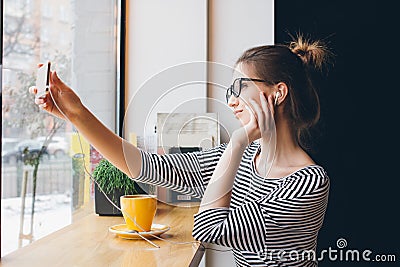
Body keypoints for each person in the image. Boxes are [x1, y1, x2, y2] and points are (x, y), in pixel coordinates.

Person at [31, 35, 331, 266]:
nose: (232, 100)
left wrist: (238, 143)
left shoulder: (307, 183)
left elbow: (209, 229)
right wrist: (76, 114)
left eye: (239, 87)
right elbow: (149, 168)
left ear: (277, 93)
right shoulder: (237, 160)